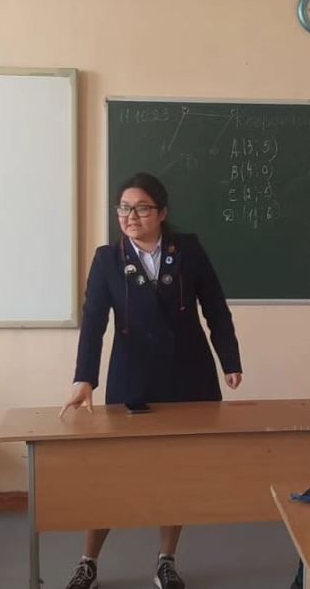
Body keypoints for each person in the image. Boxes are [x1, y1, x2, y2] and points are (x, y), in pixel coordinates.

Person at [59, 172, 243, 589]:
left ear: (162, 212)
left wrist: (229, 360)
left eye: (141, 208)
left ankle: (166, 560)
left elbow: (216, 308)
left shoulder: (188, 250)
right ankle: (88, 561)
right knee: (112, 473)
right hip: (133, 377)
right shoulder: (108, 259)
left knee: (176, 472)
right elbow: (93, 322)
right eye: (124, 208)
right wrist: (84, 378)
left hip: (187, 375)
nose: (130, 216)